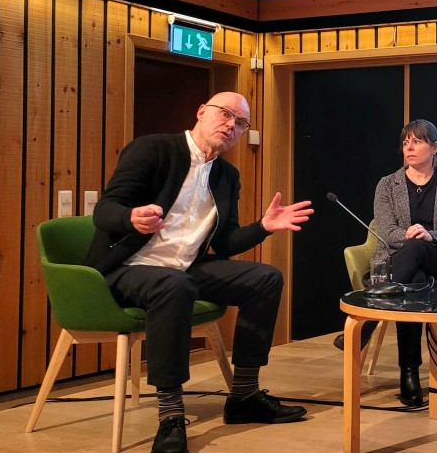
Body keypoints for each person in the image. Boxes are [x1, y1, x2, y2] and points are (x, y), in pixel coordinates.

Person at [87, 91, 314, 453]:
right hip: (130, 267)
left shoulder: (226, 175)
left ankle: (244, 395)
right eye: (225, 114)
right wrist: (130, 217)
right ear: (201, 112)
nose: (231, 125)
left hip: (184, 267)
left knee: (265, 278)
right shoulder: (152, 149)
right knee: (173, 285)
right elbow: (105, 210)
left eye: (241, 123)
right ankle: (170, 414)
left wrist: (263, 227)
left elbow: (224, 243)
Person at [334, 119, 437, 406]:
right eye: (406, 143)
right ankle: (409, 374)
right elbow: (386, 229)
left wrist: (430, 236)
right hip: (400, 260)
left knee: (418, 247)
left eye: (416, 142)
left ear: (435, 148)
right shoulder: (387, 184)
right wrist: (411, 235)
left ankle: (370, 317)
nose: (409, 148)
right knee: (414, 282)